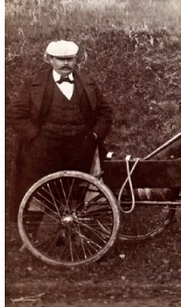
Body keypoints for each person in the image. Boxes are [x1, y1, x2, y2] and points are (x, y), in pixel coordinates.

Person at [7, 40, 113, 219]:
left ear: (76, 60)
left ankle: (82, 230)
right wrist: (34, 136)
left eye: (70, 59)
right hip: (44, 148)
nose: (66, 64)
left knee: (82, 189)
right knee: (38, 191)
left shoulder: (88, 83)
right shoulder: (33, 84)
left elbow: (105, 112)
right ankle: (31, 236)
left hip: (81, 147)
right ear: (49, 59)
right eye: (60, 59)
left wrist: (95, 134)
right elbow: (16, 113)